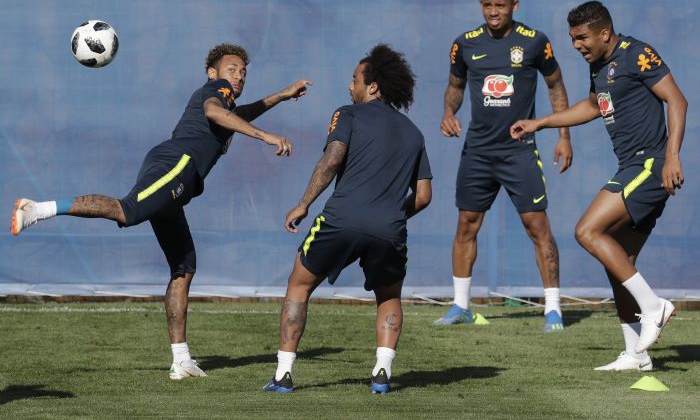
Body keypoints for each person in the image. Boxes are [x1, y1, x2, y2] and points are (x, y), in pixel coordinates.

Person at [11, 43, 313, 380]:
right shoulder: (217, 90)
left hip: (175, 171)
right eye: (231, 68)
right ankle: (37, 209)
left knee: (184, 268)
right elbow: (216, 112)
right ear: (213, 73)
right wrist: (267, 137)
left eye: (243, 71)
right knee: (126, 211)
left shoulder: (227, 98)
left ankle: (181, 360)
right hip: (177, 164)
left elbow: (237, 115)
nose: (238, 75)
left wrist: (283, 95)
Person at [511, 1, 687, 371]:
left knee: (587, 231)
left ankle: (654, 306)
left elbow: (677, 100)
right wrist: (541, 122)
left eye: (582, 37)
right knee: (620, 261)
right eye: (573, 38)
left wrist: (672, 156)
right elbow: (594, 106)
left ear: (604, 33)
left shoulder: (637, 53)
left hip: (649, 164)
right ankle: (635, 354)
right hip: (633, 166)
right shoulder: (599, 66)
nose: (576, 45)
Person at [262, 44, 432, 394]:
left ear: (372, 86)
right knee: (389, 296)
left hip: (341, 219)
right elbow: (425, 196)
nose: (349, 85)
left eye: (354, 79)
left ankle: (283, 375)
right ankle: (382, 373)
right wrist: (393, 215)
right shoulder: (414, 132)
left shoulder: (348, 115)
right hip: (389, 228)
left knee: (299, 285)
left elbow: (331, 161)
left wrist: (303, 204)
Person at [435, 0, 572, 331]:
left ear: (514, 6)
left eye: (500, 5)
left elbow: (556, 84)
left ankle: (553, 309)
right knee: (466, 224)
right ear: (481, 5)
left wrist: (563, 135)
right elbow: (455, 87)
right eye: (487, 5)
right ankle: (460, 306)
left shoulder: (534, 42)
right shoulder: (464, 44)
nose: (493, 12)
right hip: (478, 152)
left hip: (519, 151)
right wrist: (448, 113)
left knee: (537, 225)